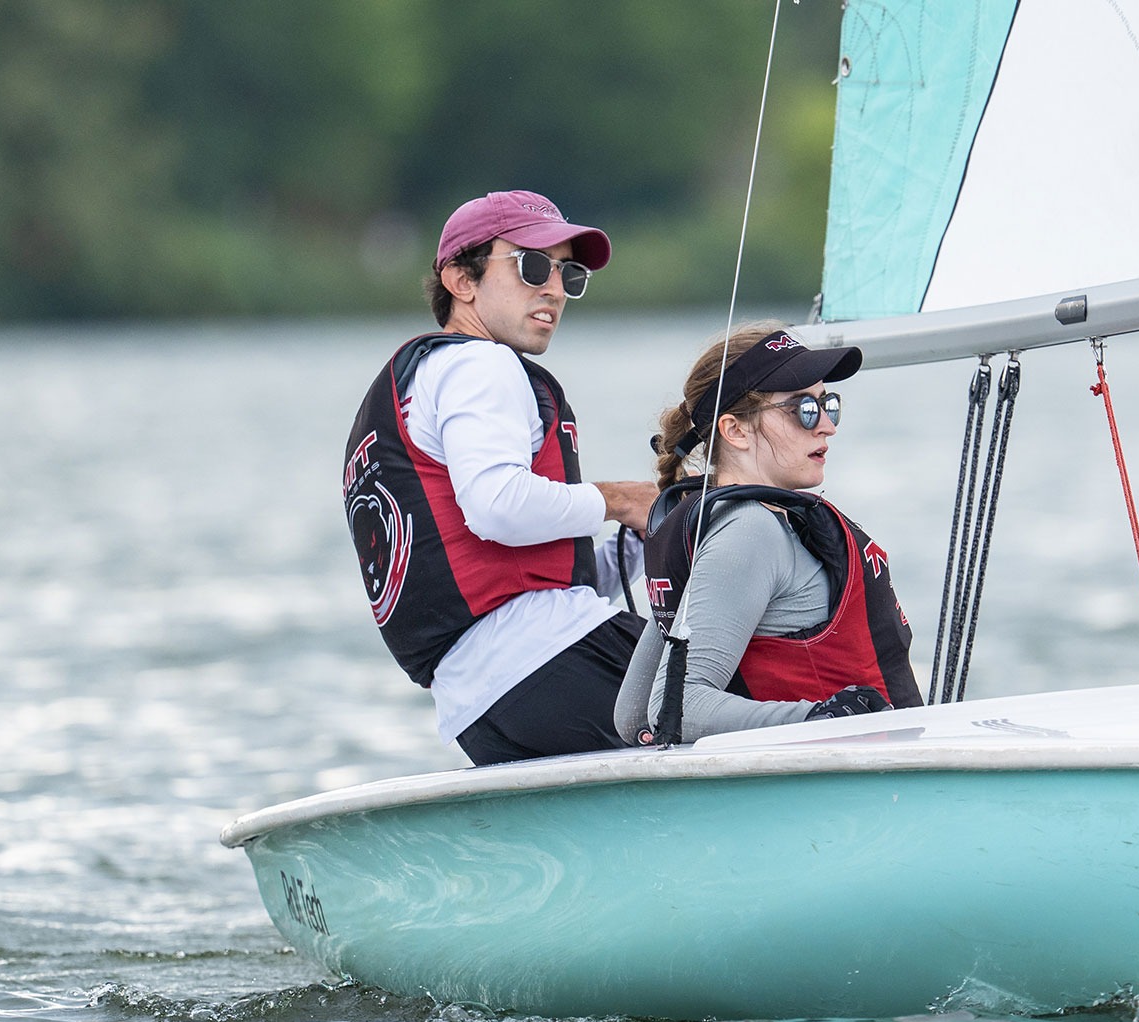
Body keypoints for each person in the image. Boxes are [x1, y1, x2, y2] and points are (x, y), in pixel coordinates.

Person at [342, 189, 657, 766]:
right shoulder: (479, 363)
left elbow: (530, 577)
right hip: (551, 662)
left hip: (480, 708)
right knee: (768, 699)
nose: (556, 290)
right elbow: (498, 509)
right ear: (461, 280)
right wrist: (622, 499)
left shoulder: (418, 379)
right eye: (533, 266)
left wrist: (645, 531)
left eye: (570, 274)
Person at [615, 324, 923, 746]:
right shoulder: (750, 532)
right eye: (803, 409)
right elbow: (675, 708)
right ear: (736, 430)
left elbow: (631, 714)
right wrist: (820, 718)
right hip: (854, 791)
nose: (827, 426)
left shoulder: (723, 527)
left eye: (828, 405)